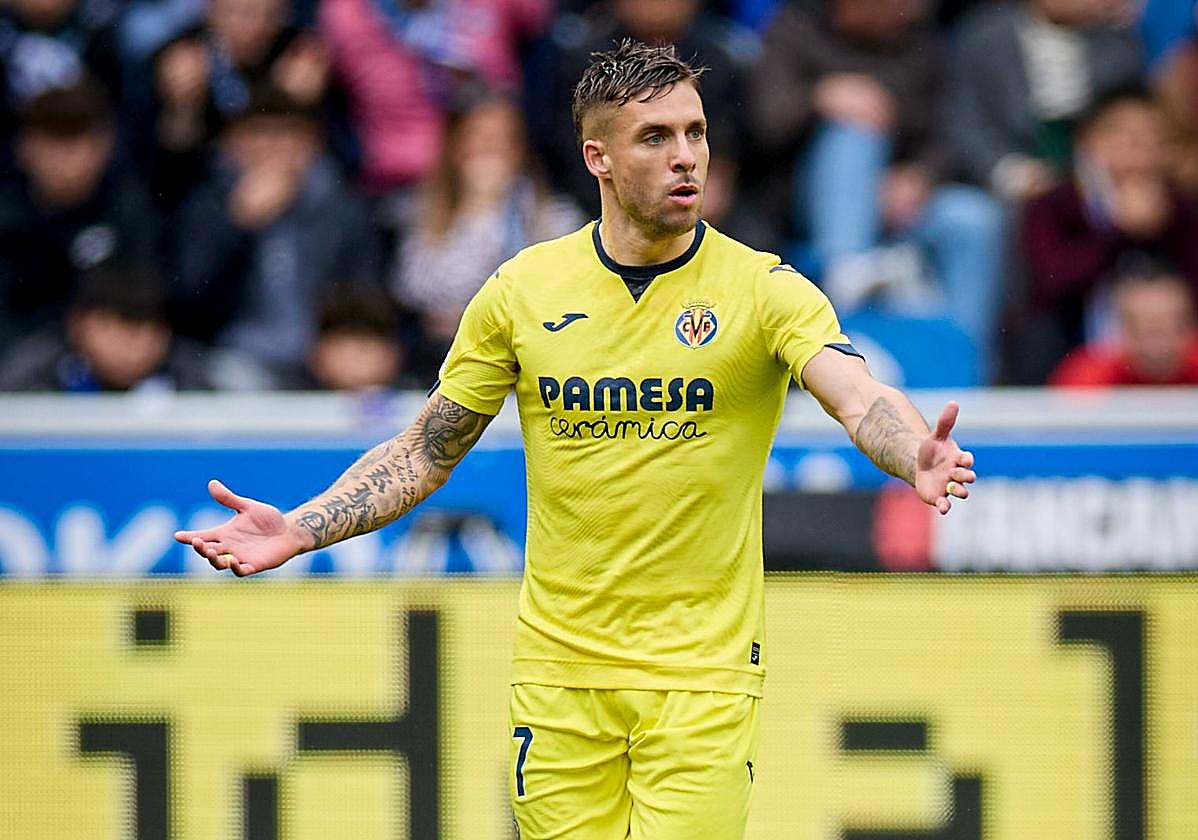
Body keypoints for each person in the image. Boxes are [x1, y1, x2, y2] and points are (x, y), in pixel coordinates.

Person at [175, 40, 976, 839]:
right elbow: (425, 450)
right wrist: (302, 526)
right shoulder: (523, 293)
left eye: (694, 133)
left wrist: (914, 452)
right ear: (597, 156)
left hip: (701, 679)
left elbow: (858, 396)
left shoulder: (764, 290)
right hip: (560, 675)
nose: (685, 156)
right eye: (655, 138)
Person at [393, 91, 584, 380]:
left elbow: (552, 297)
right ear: (455, 146)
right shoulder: (423, 213)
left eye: (502, 139)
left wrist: (499, 211)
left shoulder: (556, 217)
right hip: (442, 361)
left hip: (533, 364)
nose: (490, 149)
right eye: (478, 137)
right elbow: (418, 290)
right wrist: (480, 211)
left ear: (520, 149)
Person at [1048, 262, 1198, 386]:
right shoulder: (1085, 378)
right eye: (1144, 331)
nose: (1156, 347)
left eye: (1166, 331)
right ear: (1121, 329)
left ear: (1189, 328)